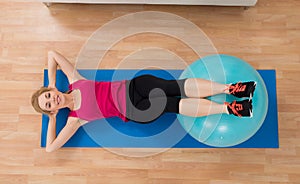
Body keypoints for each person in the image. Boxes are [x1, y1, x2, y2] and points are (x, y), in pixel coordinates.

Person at [31, 51, 256, 152]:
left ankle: (230, 89)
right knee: (173, 104)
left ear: (52, 91)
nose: (53, 100)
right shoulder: (74, 120)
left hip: (134, 85)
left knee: (174, 87)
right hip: (135, 110)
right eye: (49, 105)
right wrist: (51, 119)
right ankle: (228, 108)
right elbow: (50, 148)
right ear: (54, 110)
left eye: (49, 96)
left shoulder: (75, 80)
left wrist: (51, 83)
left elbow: (52, 54)